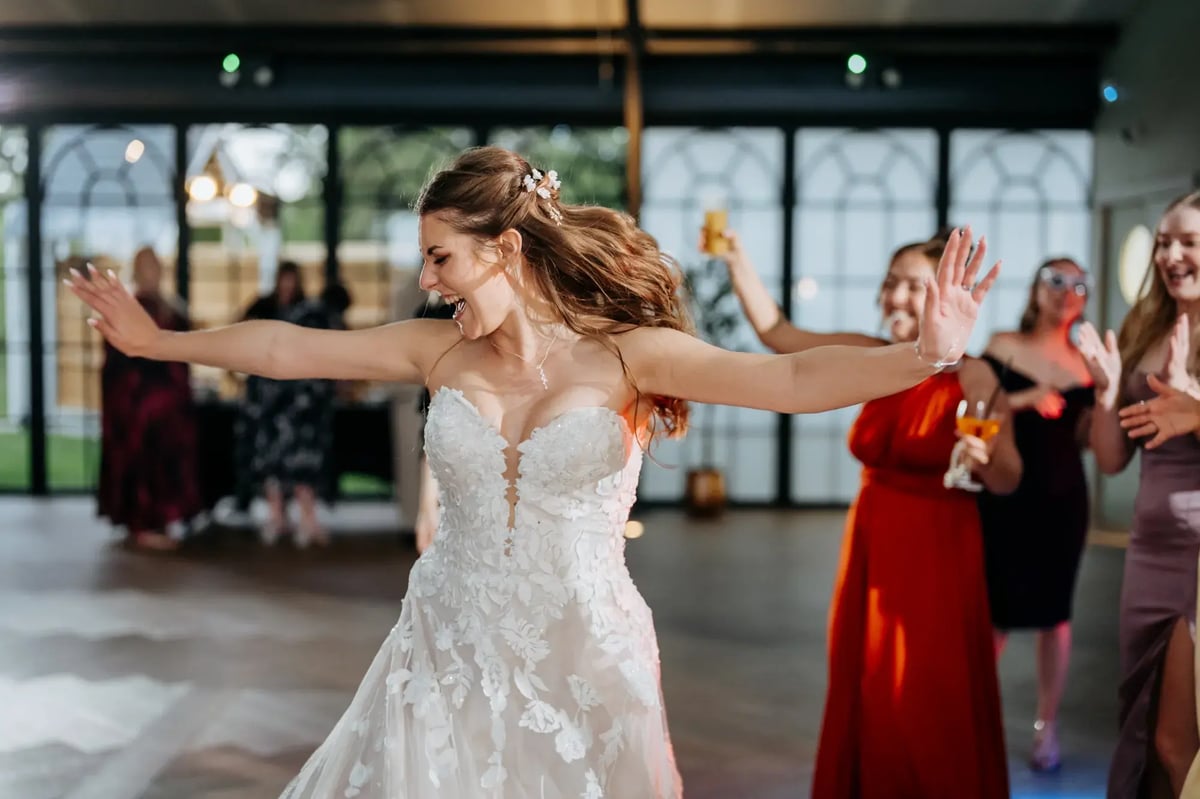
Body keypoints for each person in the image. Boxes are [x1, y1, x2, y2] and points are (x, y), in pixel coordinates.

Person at [67, 146, 998, 799]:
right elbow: (288, 345)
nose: (429, 280)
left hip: (585, 658)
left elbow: (789, 379)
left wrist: (925, 355)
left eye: (442, 258)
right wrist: (159, 339)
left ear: (504, 249)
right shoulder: (437, 353)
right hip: (444, 649)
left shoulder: (632, 355)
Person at [711, 228, 1018, 798]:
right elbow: (778, 334)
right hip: (872, 540)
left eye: (912, 287)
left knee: (924, 691)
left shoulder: (975, 377)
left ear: (948, 295)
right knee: (871, 683)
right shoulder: (876, 357)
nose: (894, 299)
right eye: (889, 284)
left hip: (939, 554)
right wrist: (736, 258)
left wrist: (984, 460)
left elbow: (1007, 478)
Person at [1078, 190, 1200, 799]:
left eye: (1189, 242)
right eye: (1162, 241)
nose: (1171, 255)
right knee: (1141, 721)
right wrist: (1105, 396)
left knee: (1178, 739)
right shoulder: (1143, 326)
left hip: (1198, 560)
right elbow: (1111, 458)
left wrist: (1194, 411)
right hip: (1147, 552)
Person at [976, 258, 1095, 772]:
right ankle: (969, 713)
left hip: (1063, 498)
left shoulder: (1087, 363)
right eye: (1055, 279)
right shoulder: (1003, 345)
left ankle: (1047, 725)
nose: (1066, 291)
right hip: (1006, 492)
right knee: (993, 611)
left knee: (1056, 616)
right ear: (1035, 290)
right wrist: (1025, 398)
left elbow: (1089, 440)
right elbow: (976, 405)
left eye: (1078, 284)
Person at [96, 247, 204, 552]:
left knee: (166, 460)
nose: (152, 270)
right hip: (140, 406)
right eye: (147, 265)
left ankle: (161, 519)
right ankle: (142, 522)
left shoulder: (171, 307)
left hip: (171, 405)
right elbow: (118, 363)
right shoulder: (130, 309)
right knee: (143, 461)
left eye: (156, 264)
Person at [237, 262, 339, 548]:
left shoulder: (309, 313)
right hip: (269, 405)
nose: (287, 286)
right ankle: (276, 516)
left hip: (300, 407)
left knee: (302, 466)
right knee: (271, 464)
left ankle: (307, 519)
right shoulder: (263, 309)